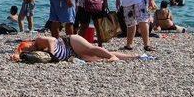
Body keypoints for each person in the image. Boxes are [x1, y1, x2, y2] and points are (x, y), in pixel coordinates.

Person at [10, 34, 140, 63]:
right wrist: (17, 56)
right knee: (96, 56)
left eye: (30, 47)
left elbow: (51, 40)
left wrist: (50, 52)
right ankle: (135, 57)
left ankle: (113, 58)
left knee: (91, 49)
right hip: (71, 54)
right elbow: (18, 53)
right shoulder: (34, 53)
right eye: (28, 50)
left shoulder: (38, 41)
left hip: (70, 42)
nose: (31, 49)